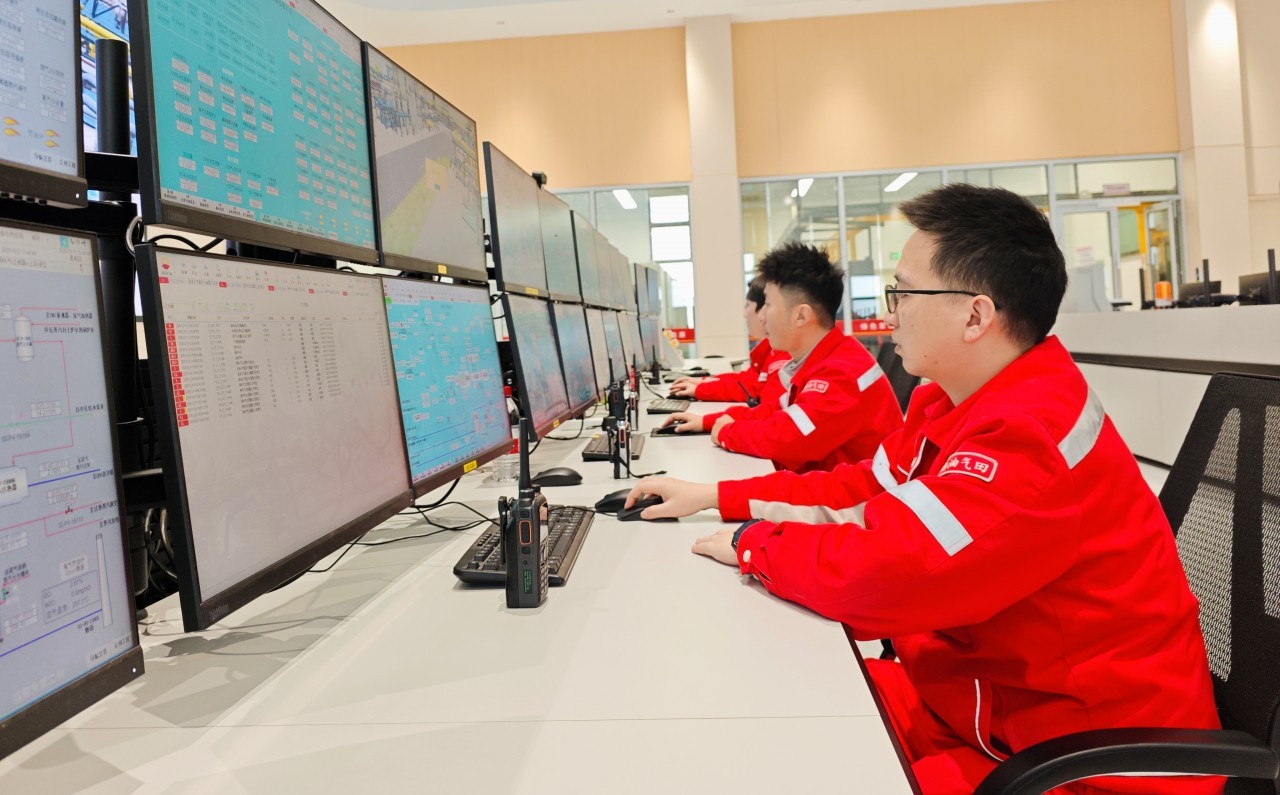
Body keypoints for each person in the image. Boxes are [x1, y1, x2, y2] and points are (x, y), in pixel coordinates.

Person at [625, 185, 1222, 795]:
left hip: (1079, 765)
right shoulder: (954, 400)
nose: (890, 314)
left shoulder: (1028, 435)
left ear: (975, 316)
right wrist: (717, 498)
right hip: (976, 705)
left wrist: (755, 544)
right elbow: (859, 488)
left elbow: (885, 575)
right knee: (751, 697)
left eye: (904, 293)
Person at [662, 242, 903, 474]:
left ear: (801, 316)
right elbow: (775, 413)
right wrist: (708, 422)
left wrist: (726, 433)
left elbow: (789, 439)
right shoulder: (823, 358)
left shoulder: (841, 372)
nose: (762, 316)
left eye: (767, 304)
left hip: (855, 500)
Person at [668, 276, 789, 404]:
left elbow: (754, 391)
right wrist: (704, 382)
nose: (744, 314)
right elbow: (748, 381)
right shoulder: (773, 349)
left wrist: (700, 390)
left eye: (747, 305)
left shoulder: (784, 351)